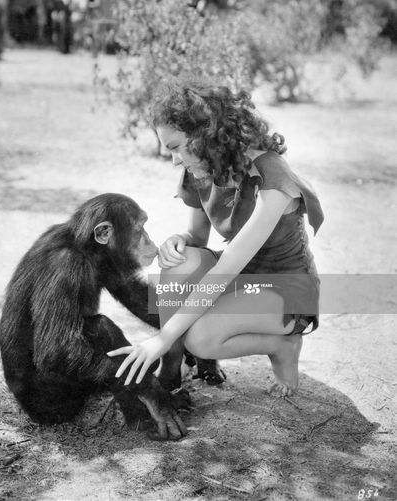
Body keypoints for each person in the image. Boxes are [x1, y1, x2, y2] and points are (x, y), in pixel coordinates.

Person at [108, 76, 324, 397]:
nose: (174, 159)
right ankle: (174, 365)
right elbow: (197, 236)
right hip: (243, 278)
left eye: (176, 148)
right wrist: (177, 241)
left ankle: (283, 345)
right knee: (177, 265)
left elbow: (226, 269)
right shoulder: (201, 168)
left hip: (284, 288)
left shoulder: (271, 176)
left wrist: (162, 336)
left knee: (201, 337)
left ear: (205, 137)